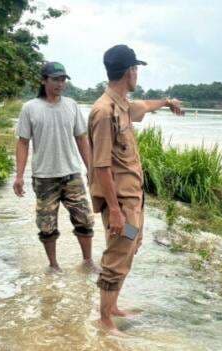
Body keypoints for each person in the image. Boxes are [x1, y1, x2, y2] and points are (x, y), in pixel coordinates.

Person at [88, 44, 184, 333]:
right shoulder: (104, 111)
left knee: (131, 245)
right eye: (136, 69)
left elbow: (142, 107)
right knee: (118, 253)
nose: (137, 74)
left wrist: (167, 101)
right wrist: (115, 211)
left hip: (133, 201)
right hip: (119, 203)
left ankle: (113, 306)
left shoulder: (121, 105)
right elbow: (101, 166)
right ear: (130, 72)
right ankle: (104, 319)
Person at [13, 62, 97, 272]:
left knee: (85, 219)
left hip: (71, 174)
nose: (61, 84)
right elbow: (23, 142)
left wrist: (91, 168)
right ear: (44, 81)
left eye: (63, 79)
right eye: (56, 79)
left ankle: (87, 262)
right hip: (44, 177)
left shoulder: (71, 105)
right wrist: (19, 175)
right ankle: (54, 265)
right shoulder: (30, 108)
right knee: (46, 225)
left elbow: (81, 138)